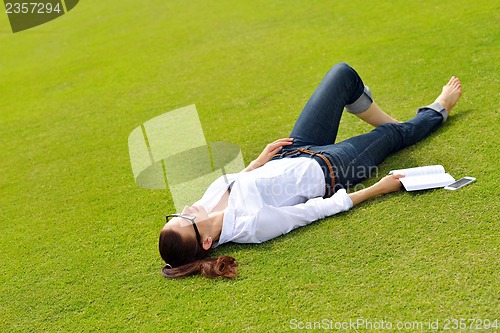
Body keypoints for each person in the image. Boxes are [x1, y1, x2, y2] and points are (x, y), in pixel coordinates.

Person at [159, 62, 462, 279]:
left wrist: (256, 163)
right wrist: (376, 189)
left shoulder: (204, 205)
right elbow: (312, 212)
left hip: (293, 151)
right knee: (392, 137)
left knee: (342, 75)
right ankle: (437, 110)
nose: (185, 208)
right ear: (207, 242)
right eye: (185, 219)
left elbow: (239, 181)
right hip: (332, 168)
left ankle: (402, 129)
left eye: (176, 215)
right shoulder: (251, 226)